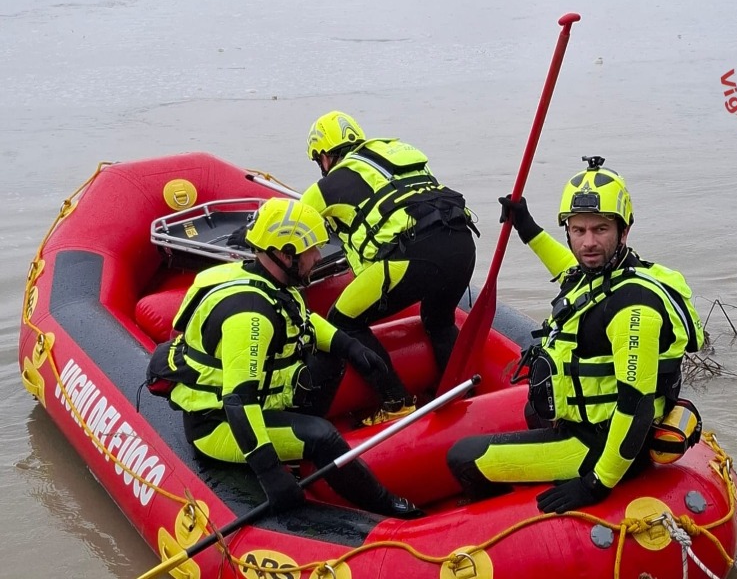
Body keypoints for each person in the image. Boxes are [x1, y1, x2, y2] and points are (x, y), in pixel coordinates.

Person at [446, 156, 705, 513]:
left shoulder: (634, 309)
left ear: (623, 231)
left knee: (462, 457)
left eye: (600, 230)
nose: (588, 243)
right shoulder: (603, 275)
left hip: (603, 445)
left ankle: (502, 520)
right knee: (531, 410)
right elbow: (567, 270)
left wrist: (596, 483)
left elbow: (636, 408)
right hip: (586, 423)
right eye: (578, 230)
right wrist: (527, 227)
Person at [148, 198, 422, 518]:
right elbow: (239, 401)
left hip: (255, 403)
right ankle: (388, 507)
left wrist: (350, 347)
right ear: (285, 253)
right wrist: (269, 473)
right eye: (311, 251)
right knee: (323, 436)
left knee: (332, 359)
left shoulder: (269, 278)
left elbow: (303, 319)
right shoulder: (251, 318)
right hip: (219, 424)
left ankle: (295, 439)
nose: (318, 256)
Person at [300, 111, 478, 425]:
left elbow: (292, 226)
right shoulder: (395, 154)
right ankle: (459, 393)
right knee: (438, 321)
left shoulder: (327, 186)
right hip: (462, 245)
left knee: (342, 321)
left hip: (414, 256)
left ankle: (395, 401)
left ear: (324, 156)